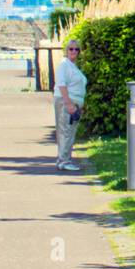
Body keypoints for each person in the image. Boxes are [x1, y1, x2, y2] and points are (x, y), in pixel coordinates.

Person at [54, 39, 86, 172]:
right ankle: (64, 161)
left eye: (76, 49)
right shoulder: (64, 65)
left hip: (74, 102)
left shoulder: (73, 66)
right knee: (66, 131)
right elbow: (61, 84)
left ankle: (63, 159)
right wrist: (68, 103)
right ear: (66, 51)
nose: (74, 51)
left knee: (69, 131)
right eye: (71, 49)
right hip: (67, 101)